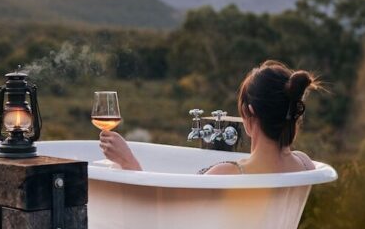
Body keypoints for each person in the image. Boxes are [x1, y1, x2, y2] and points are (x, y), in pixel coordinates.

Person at [99, 60, 317, 174]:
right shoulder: (305, 164)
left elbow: (164, 217)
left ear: (250, 112)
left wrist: (128, 162)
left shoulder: (228, 174)